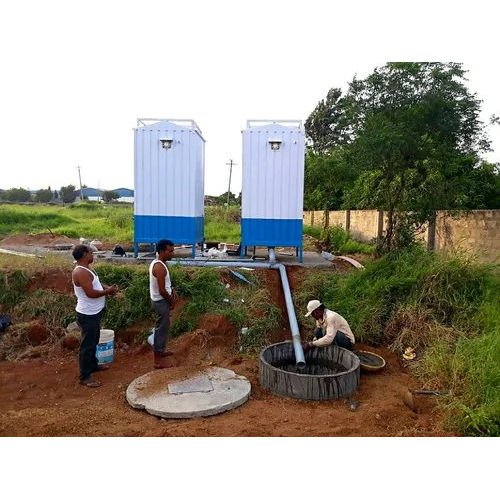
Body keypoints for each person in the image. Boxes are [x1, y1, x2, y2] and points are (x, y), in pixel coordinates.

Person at [72, 244, 118, 388]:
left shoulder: (87, 268)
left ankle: (93, 365)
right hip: (87, 314)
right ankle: (85, 376)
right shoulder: (81, 272)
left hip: (93, 312)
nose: (93, 255)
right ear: (85, 254)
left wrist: (106, 288)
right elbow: (91, 293)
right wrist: (108, 292)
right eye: (91, 252)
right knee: (87, 345)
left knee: (94, 340)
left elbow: (96, 283)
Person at [149, 239, 178, 369]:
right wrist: (170, 300)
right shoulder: (159, 267)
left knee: (163, 327)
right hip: (161, 302)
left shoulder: (159, 263)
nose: (172, 254)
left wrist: (172, 291)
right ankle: (157, 360)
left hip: (160, 300)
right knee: (161, 329)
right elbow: (161, 290)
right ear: (162, 251)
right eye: (170, 251)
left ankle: (161, 350)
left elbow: (165, 286)